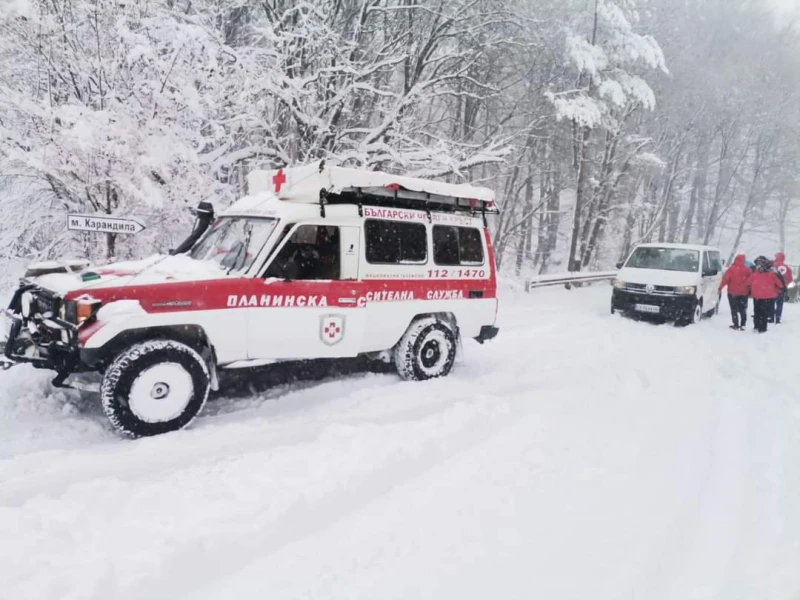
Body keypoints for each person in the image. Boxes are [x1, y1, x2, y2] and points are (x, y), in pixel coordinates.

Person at [747, 256, 785, 333]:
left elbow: (748, 283)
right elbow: (780, 285)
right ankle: (763, 328)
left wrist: (750, 290)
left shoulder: (754, 274)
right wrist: (775, 290)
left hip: (756, 296)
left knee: (757, 312)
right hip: (767, 296)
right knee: (764, 313)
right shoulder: (771, 274)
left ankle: (756, 326)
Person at [718, 254, 751, 330]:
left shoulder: (731, 269)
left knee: (734, 309)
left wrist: (720, 287)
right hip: (744, 293)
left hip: (732, 293)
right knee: (743, 309)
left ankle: (735, 324)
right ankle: (743, 324)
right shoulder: (747, 270)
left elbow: (725, 279)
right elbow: (750, 281)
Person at [773, 252, 793, 324]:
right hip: (782, 289)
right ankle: (778, 318)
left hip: (773, 288)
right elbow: (790, 278)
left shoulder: (773, 266)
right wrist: (786, 283)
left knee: (771, 303)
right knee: (780, 304)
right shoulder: (787, 267)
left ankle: (771, 316)